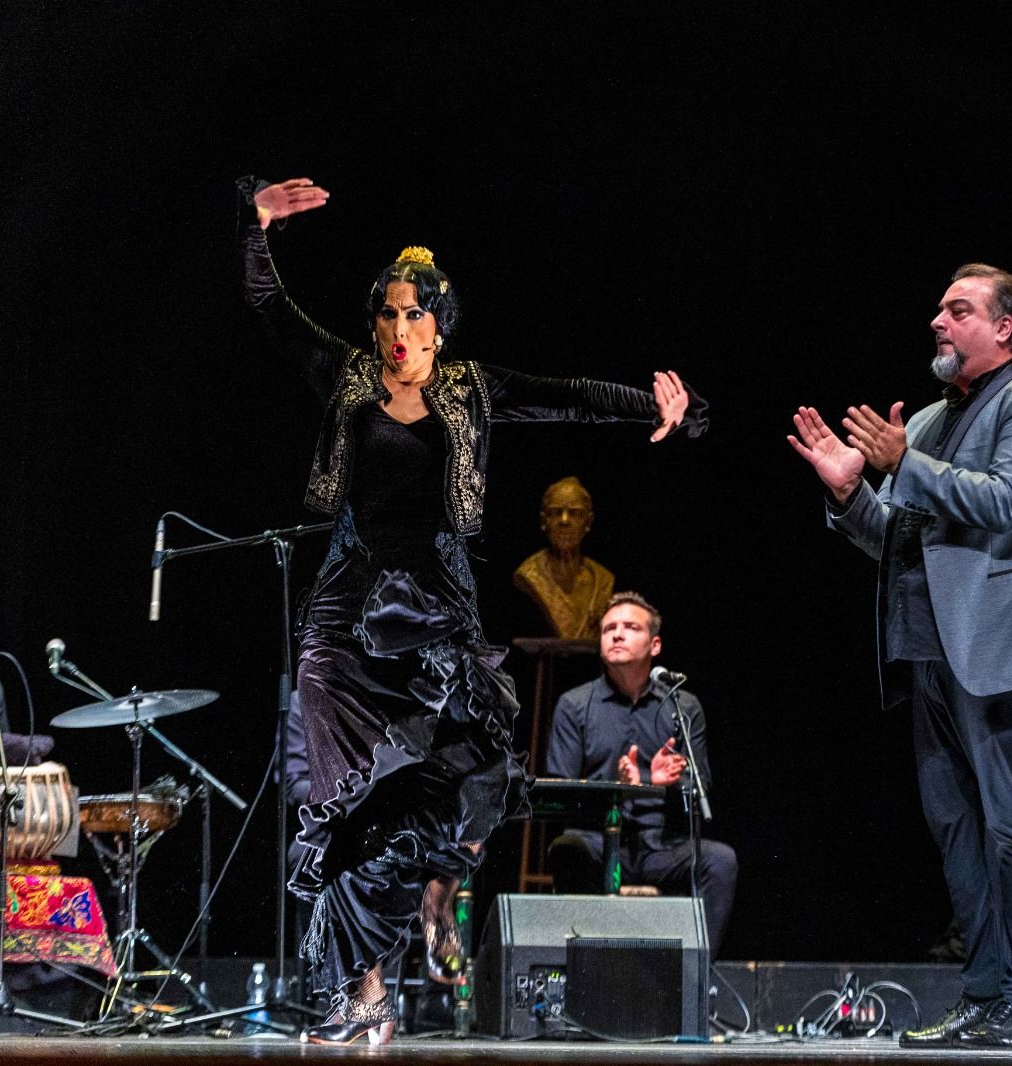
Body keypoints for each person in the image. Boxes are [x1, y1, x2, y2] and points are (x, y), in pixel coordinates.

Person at [241, 176, 706, 1044]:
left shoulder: (472, 389)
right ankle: (362, 990)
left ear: (440, 324)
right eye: (386, 314)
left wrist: (661, 409)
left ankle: (436, 895)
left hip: (436, 615)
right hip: (344, 617)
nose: (398, 329)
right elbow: (271, 307)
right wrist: (257, 225)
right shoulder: (346, 375)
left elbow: (569, 394)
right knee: (344, 799)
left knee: (465, 770)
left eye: (414, 314)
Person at [788, 263, 1012, 1050]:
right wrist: (848, 492)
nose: (938, 322)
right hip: (926, 649)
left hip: (1001, 643)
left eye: (958, 311)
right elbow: (894, 537)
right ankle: (983, 994)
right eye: (939, 310)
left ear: (1004, 328)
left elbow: (1007, 501)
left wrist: (901, 465)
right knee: (954, 827)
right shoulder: (920, 422)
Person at [543, 592, 736, 955]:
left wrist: (657, 784)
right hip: (596, 843)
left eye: (631, 627)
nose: (617, 634)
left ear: (655, 645)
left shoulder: (682, 706)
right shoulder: (574, 704)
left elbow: (700, 786)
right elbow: (561, 791)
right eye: (609, 629)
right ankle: (585, 964)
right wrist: (620, 789)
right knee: (567, 849)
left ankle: (695, 972)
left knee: (719, 860)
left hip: (659, 846)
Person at [513, 477, 615, 640]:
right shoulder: (530, 574)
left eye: (574, 513)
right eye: (556, 512)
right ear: (543, 521)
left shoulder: (602, 580)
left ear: (588, 522)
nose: (564, 520)